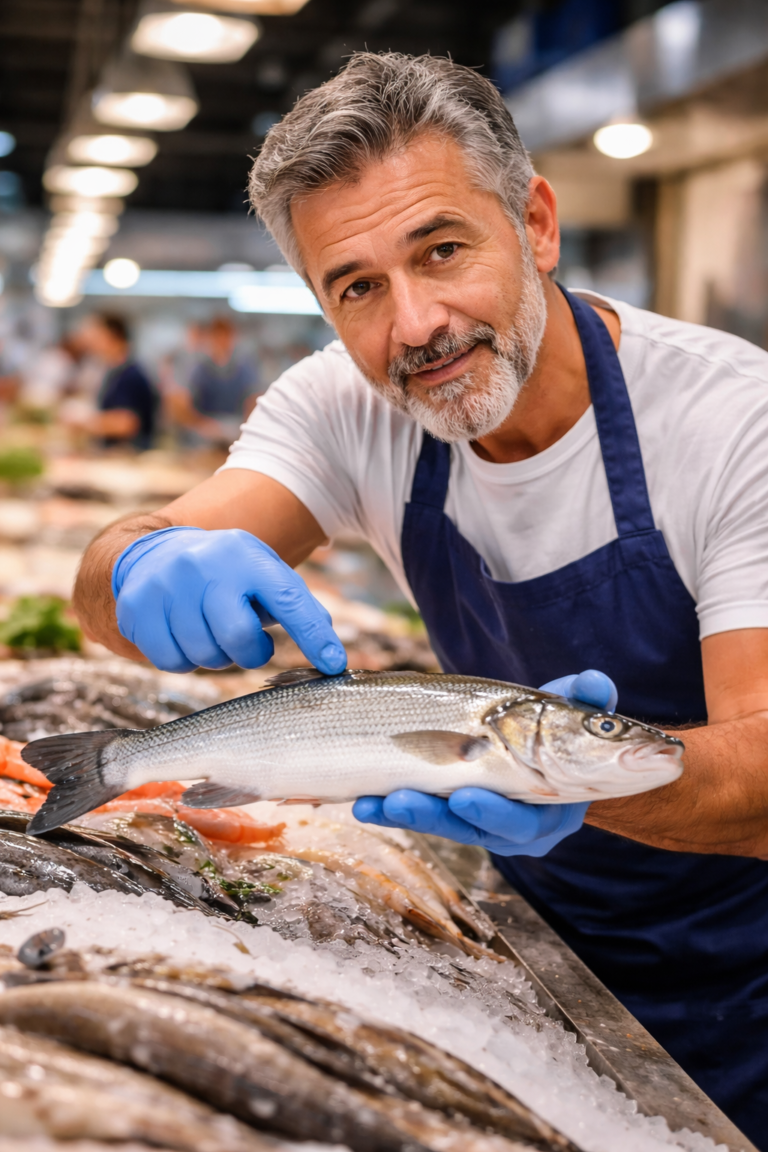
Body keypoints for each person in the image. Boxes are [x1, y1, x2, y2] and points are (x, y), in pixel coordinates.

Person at [73, 53, 768, 1140]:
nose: (416, 323)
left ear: (535, 224)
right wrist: (135, 565)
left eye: (442, 250)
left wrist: (562, 782)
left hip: (751, 970)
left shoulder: (733, 423)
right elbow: (107, 582)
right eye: (356, 287)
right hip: (531, 945)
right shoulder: (344, 408)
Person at [66, 313, 156, 450]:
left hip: (130, 456)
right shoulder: (112, 371)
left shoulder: (130, 374)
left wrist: (84, 422)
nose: (90, 341)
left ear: (112, 336)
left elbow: (126, 423)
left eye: (96, 334)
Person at [165, 316, 260, 445]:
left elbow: (253, 399)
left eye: (225, 337)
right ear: (210, 338)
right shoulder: (197, 368)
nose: (221, 342)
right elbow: (180, 400)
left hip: (235, 432)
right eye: (217, 337)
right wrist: (201, 424)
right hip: (202, 434)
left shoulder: (244, 368)